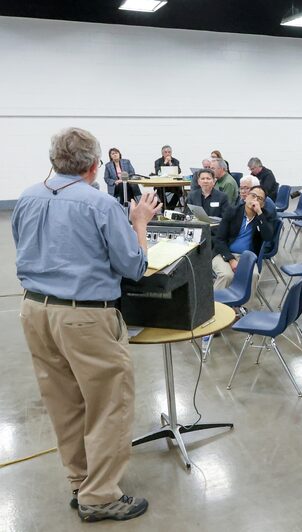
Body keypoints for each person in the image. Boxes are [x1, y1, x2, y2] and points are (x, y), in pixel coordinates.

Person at [13, 127, 158, 522]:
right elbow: (133, 266)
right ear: (95, 167)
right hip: (85, 316)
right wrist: (140, 223)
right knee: (110, 403)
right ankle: (100, 496)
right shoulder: (100, 204)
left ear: (53, 162)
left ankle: (81, 481)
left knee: (64, 402)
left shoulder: (26, 197)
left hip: (35, 310)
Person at [212, 185, 276, 291]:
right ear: (246, 197)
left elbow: (268, 236)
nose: (255, 200)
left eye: (259, 199)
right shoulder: (232, 212)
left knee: (254, 275)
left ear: (263, 204)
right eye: (253, 196)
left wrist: (259, 213)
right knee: (227, 275)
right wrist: (231, 260)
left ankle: (244, 306)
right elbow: (219, 239)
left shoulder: (264, 216)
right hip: (225, 254)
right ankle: (216, 306)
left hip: (247, 257)